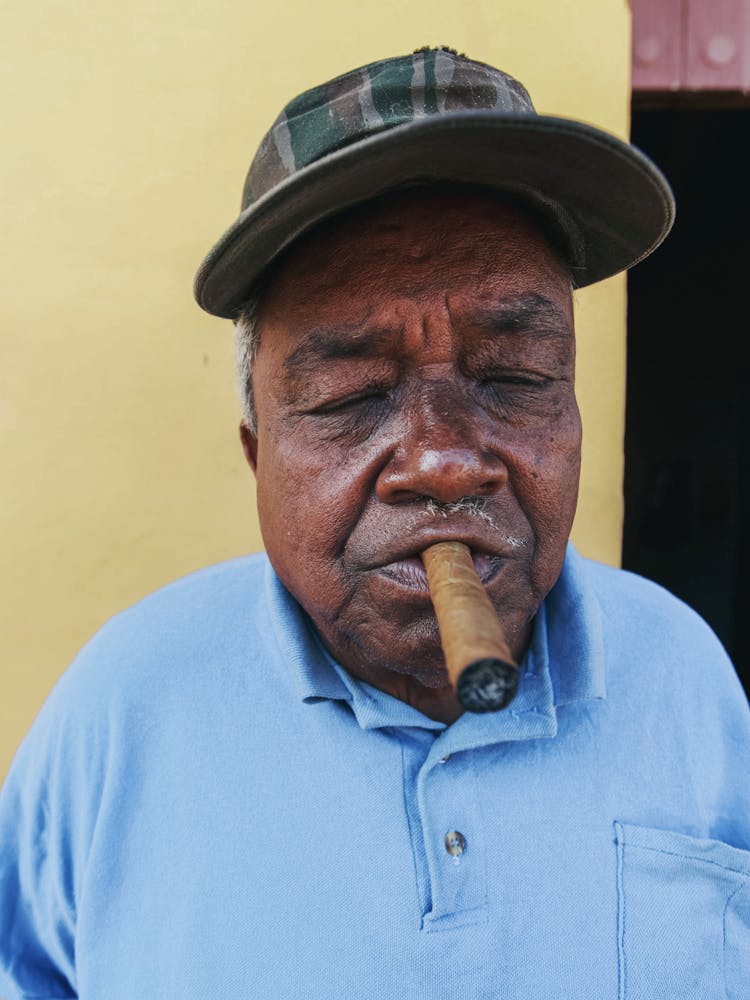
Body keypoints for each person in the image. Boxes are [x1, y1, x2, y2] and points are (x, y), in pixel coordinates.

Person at [1, 48, 748, 999]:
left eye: (514, 378)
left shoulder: (683, 678)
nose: (444, 459)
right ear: (256, 451)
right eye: (353, 395)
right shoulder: (121, 712)